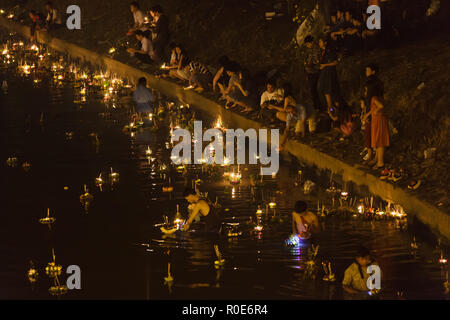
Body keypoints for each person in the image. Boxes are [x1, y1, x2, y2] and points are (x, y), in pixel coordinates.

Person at [363, 78, 389, 169]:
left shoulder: (374, 98)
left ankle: (380, 163)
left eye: (366, 90)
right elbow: (374, 108)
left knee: (379, 141)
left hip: (378, 121)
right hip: (379, 120)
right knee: (378, 140)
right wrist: (368, 114)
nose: (365, 93)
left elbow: (380, 106)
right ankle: (377, 159)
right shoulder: (379, 97)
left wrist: (376, 111)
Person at [361, 64, 384, 163]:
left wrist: (369, 113)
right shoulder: (376, 85)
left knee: (374, 137)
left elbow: (379, 106)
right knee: (373, 136)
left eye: (368, 70)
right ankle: (376, 158)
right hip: (374, 116)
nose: (366, 72)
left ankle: (378, 160)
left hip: (376, 117)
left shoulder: (373, 93)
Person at [317, 37, 341, 113]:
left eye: (320, 41)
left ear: (325, 43)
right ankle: (330, 108)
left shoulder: (330, 51)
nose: (319, 43)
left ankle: (336, 109)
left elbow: (335, 62)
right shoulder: (322, 52)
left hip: (330, 72)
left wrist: (325, 65)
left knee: (331, 90)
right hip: (324, 72)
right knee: (324, 89)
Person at [303, 35, 322, 111]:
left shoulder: (316, 49)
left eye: (308, 44)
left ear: (311, 42)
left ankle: (319, 107)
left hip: (315, 72)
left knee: (315, 90)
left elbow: (317, 61)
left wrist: (310, 64)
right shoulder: (310, 50)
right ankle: (316, 106)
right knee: (312, 90)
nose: (307, 46)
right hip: (310, 72)